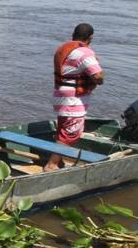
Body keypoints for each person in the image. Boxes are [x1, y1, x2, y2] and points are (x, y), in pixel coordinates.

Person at [45, 23, 105, 171]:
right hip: (74, 100)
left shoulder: (64, 48)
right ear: (90, 37)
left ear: (74, 35)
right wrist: (99, 73)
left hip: (60, 95)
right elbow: (98, 76)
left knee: (63, 130)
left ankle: (57, 161)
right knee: (70, 134)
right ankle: (51, 165)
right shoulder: (84, 52)